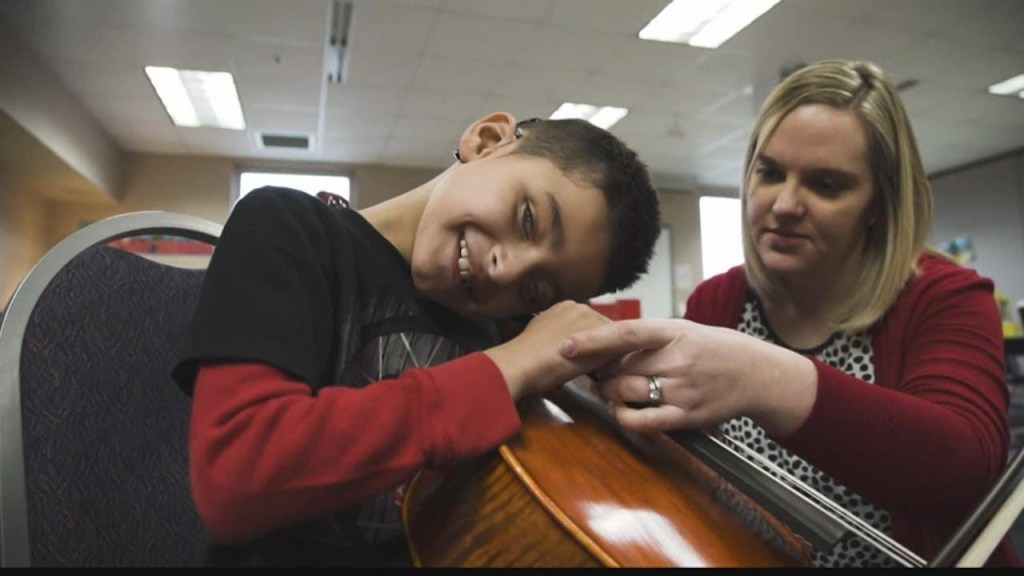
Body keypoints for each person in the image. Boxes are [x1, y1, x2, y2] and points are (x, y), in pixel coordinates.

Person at [559, 59, 1019, 567]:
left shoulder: (944, 295)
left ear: (878, 205)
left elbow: (962, 472)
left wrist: (765, 378)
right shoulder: (718, 300)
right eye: (770, 173)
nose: (784, 204)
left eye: (827, 185)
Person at [170, 112, 662, 566]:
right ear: (486, 141)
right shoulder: (288, 229)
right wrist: (505, 367)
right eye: (528, 218)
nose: (505, 268)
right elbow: (236, 478)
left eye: (536, 289)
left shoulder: (505, 334)